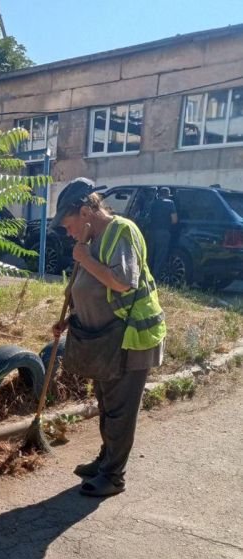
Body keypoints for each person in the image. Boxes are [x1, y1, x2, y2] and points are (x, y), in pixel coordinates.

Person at [50, 177, 166, 497]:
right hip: (102, 338)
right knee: (106, 402)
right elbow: (90, 288)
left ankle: (114, 476)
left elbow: (122, 283)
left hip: (131, 338)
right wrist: (71, 319)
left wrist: (84, 257)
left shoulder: (121, 231)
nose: (68, 232)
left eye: (69, 224)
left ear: (86, 211)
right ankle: (106, 460)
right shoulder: (91, 239)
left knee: (119, 409)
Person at [145, 187, 178, 278]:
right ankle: (155, 278)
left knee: (149, 255)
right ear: (168, 194)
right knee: (160, 256)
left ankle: (145, 276)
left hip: (151, 232)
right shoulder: (170, 203)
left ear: (159, 193)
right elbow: (174, 220)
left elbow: (146, 217)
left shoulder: (152, 203)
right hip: (163, 233)